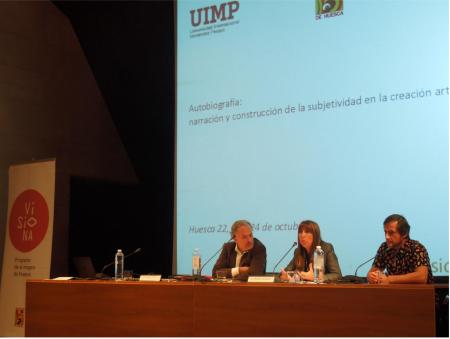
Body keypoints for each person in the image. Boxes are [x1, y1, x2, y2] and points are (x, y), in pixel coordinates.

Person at [367, 214, 433, 284]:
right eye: (385, 232)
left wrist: (389, 279)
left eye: (391, 233)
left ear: (404, 233)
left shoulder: (416, 247)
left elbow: (422, 277)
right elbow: (372, 272)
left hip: (419, 293)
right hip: (394, 293)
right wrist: (371, 277)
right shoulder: (384, 247)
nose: (387, 237)